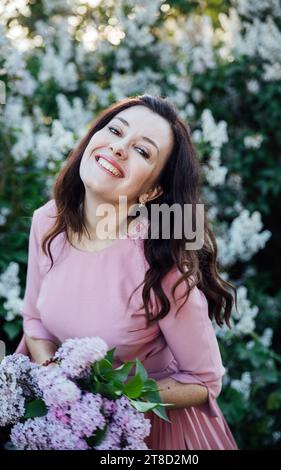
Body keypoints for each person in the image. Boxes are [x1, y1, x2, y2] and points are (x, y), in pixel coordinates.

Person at [15, 94, 238, 450]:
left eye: (143, 151)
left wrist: (112, 399)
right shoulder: (48, 221)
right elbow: (34, 319)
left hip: (148, 436)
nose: (119, 148)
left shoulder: (161, 266)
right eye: (115, 131)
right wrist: (56, 381)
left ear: (152, 191)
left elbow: (204, 380)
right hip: (59, 423)